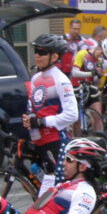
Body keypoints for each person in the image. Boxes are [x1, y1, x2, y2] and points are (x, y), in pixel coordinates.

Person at [23, 34, 78, 185]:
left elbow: (72, 114)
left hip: (57, 141)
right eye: (35, 51)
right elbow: (33, 106)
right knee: (43, 187)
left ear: (54, 56)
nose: (37, 55)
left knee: (59, 188)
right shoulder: (35, 78)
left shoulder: (61, 80)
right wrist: (29, 118)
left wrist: (42, 121)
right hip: (39, 140)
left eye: (42, 52)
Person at [71, 43, 106, 134]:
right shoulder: (81, 54)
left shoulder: (99, 61)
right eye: (101, 53)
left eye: (104, 55)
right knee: (77, 119)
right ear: (98, 48)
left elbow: (96, 81)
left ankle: (99, 139)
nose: (101, 56)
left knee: (98, 115)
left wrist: (98, 76)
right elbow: (74, 73)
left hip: (90, 87)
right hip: (77, 87)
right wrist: (91, 73)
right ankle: (77, 142)